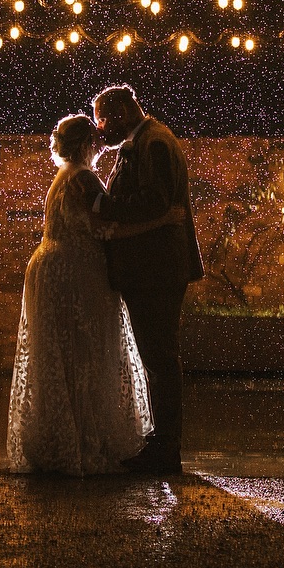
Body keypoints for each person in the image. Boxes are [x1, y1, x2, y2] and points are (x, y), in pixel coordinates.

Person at [6, 113, 184, 475]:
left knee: (61, 355)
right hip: (75, 274)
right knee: (86, 354)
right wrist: (162, 220)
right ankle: (85, 439)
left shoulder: (63, 176)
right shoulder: (83, 178)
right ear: (88, 144)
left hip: (52, 268)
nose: (104, 144)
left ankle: (59, 435)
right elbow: (107, 230)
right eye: (98, 139)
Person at [91, 85, 203, 475]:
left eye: (102, 119)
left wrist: (103, 206)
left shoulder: (153, 143)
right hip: (154, 268)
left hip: (156, 269)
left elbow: (154, 202)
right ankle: (162, 443)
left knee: (160, 358)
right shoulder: (149, 139)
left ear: (122, 111)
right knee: (158, 357)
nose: (100, 129)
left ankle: (166, 448)